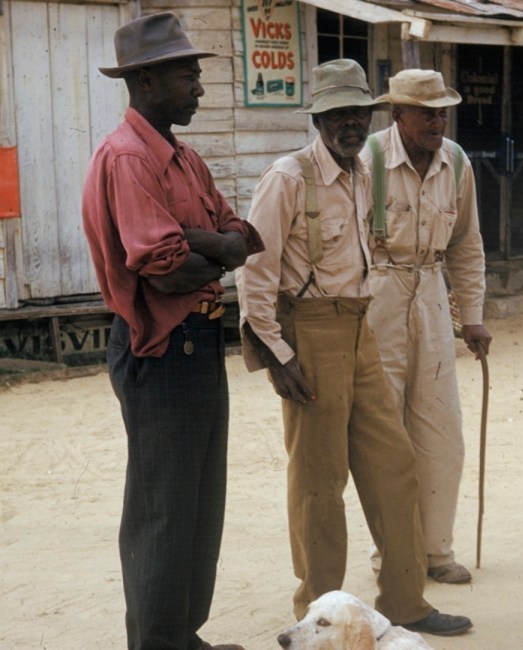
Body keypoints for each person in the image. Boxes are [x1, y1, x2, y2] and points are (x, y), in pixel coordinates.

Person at [234, 59, 472, 637]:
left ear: (371, 116)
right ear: (318, 118)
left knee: (395, 466)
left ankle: (405, 601)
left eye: (357, 113)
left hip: (362, 327)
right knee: (320, 483)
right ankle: (318, 617)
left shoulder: (364, 173)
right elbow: (254, 273)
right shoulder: (288, 177)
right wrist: (278, 355)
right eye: (336, 114)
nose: (348, 123)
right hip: (310, 333)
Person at [81, 12, 263, 650]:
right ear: (148, 80)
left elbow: (244, 235)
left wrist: (205, 242)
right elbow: (164, 271)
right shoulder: (130, 158)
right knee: (163, 510)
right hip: (161, 349)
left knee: (197, 505)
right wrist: (211, 249)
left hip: (201, 343)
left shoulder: (182, 158)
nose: (199, 88)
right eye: (188, 75)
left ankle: (181, 636)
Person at [359, 68, 492, 585]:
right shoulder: (367, 158)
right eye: (425, 112)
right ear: (398, 114)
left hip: (433, 293)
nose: (437, 121)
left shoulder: (456, 162)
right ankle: (393, 555)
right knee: (384, 433)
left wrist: (473, 317)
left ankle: (437, 550)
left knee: (441, 430)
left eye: (442, 111)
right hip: (379, 294)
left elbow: (467, 244)